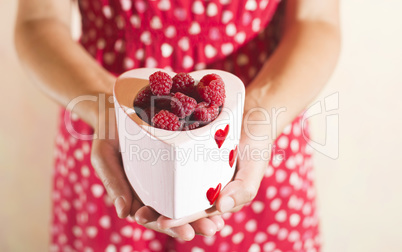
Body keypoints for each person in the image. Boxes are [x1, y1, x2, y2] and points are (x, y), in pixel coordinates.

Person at [15, 0, 340, 251]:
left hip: (249, 138)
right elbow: (38, 20)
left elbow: (316, 19)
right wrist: (109, 110)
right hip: (116, 134)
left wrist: (256, 117)